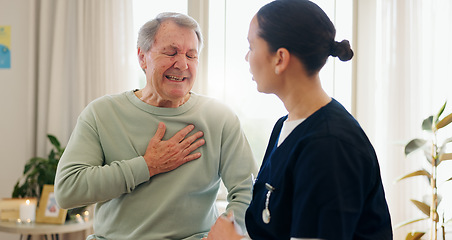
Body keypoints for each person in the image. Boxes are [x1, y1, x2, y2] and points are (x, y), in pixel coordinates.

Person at [54, 12, 258, 240]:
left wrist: (219, 237)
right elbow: (67, 190)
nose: (182, 64)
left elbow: (248, 193)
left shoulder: (220, 118)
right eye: (171, 53)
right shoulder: (102, 113)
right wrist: (147, 166)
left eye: (191, 55)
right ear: (142, 57)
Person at [204, 0, 393, 239]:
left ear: (280, 58)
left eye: (251, 46)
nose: (246, 57)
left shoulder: (329, 146)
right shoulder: (285, 127)